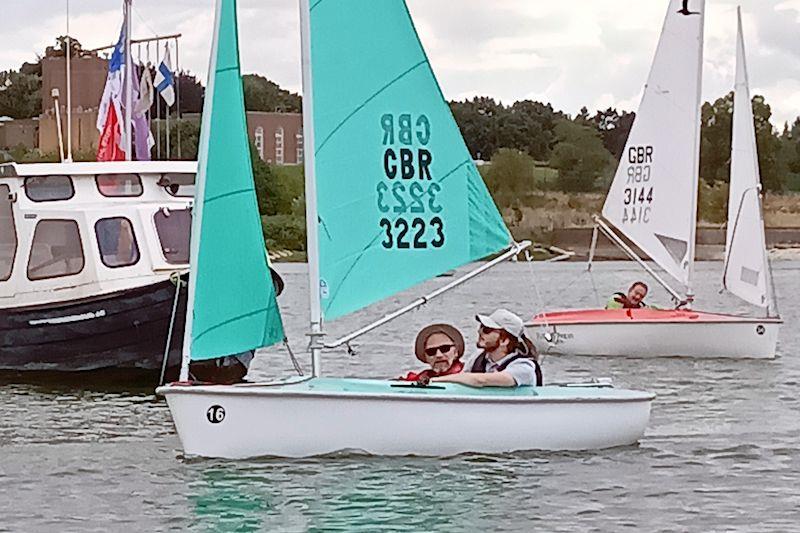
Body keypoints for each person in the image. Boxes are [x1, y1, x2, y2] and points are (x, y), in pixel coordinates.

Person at [433, 309, 542, 388]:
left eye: (487, 330)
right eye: (481, 327)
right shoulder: (477, 357)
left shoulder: (523, 367)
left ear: (504, 341)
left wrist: (433, 381)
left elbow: (480, 380)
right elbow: (461, 379)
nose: (479, 332)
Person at [398, 324, 465, 382]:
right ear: (425, 357)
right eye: (431, 351)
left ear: (456, 351)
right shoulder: (422, 378)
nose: (438, 355)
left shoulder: (469, 372)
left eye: (445, 348)